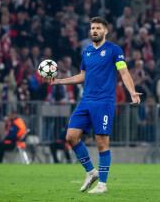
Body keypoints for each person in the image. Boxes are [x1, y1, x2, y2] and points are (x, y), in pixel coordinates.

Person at [44, 17, 141, 193]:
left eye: (98, 28)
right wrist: (57, 82)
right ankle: (91, 172)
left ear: (105, 31)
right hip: (86, 101)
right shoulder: (87, 52)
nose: (94, 31)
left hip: (104, 102)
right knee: (71, 137)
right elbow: (82, 76)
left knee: (102, 143)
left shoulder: (114, 50)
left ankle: (102, 184)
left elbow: (124, 72)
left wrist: (132, 91)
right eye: (92, 28)